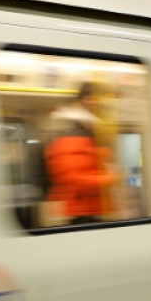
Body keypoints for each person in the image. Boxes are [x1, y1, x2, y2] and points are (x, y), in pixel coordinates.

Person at [43, 82, 117, 225]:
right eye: (90, 99)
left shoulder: (97, 136)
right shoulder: (69, 138)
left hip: (98, 211)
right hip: (80, 214)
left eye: (98, 100)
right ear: (80, 102)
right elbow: (75, 180)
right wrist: (111, 178)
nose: (95, 104)